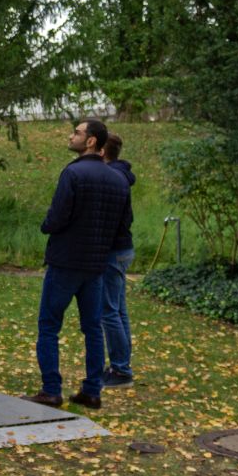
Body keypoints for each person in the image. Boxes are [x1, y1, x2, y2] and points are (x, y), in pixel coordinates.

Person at [22, 118, 131, 410]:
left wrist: (47, 226)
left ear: (92, 141)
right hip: (95, 264)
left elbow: (58, 215)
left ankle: (51, 388)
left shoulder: (73, 173)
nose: (71, 137)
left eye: (77, 133)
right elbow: (122, 224)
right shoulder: (118, 180)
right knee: (93, 328)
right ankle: (92, 390)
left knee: (48, 325)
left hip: (66, 260)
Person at [101, 132, 137, 389]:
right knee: (118, 310)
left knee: (108, 311)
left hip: (113, 251)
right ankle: (120, 364)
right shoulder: (122, 176)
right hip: (123, 248)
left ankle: (121, 370)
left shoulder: (112, 178)